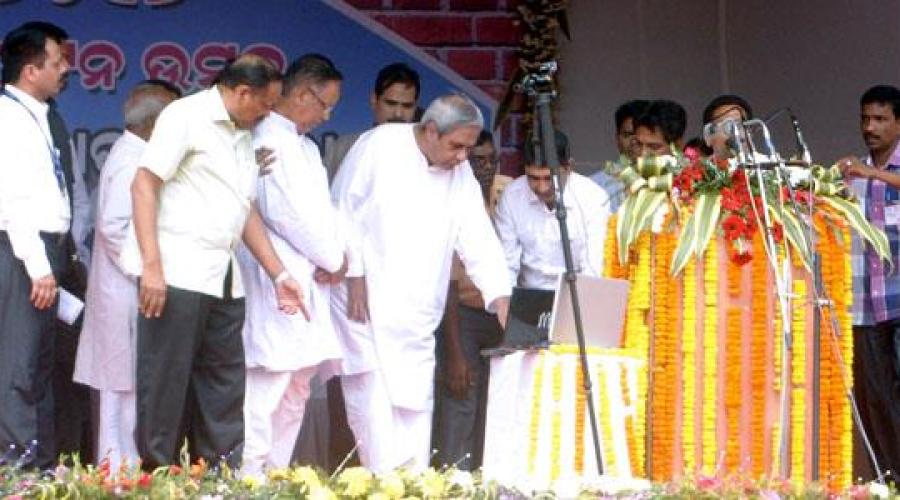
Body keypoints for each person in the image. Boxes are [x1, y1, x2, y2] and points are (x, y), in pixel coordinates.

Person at [119, 54, 307, 470]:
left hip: (224, 281)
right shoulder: (185, 116)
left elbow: (244, 211)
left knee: (224, 389)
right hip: (176, 274)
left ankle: (217, 480)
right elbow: (143, 185)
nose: (269, 113)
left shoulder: (242, 132)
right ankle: (158, 483)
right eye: (266, 104)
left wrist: (279, 274)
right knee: (165, 386)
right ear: (242, 92)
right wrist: (152, 266)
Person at [331, 93, 511, 473]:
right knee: (374, 413)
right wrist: (356, 274)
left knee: (415, 417)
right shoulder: (378, 147)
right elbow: (343, 210)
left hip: (417, 319)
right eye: (456, 146)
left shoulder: (457, 171)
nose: (463, 157)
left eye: (468, 147)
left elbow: (476, 235)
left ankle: (412, 488)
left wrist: (499, 296)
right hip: (365, 306)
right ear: (430, 131)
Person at [238, 54, 347, 478]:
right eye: (324, 104)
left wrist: (340, 255)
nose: (327, 115)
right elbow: (283, 213)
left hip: (310, 278)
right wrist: (334, 259)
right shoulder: (265, 138)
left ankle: (276, 476)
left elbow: (325, 212)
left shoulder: (305, 146)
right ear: (301, 93)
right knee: (266, 391)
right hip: (274, 280)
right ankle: (248, 480)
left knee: (297, 387)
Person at [72, 80, 180, 470]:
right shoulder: (131, 160)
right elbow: (114, 227)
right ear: (156, 122)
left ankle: (124, 472)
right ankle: (119, 475)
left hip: (131, 291)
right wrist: (148, 274)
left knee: (128, 390)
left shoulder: (141, 155)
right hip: (127, 291)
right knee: (122, 394)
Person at [0, 20, 75, 468]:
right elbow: (9, 197)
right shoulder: (7, 117)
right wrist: (37, 264)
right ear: (31, 70)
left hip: (47, 249)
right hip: (20, 250)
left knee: (41, 368)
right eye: (57, 61)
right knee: (19, 366)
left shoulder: (40, 113)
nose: (65, 69)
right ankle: (16, 472)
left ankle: (42, 468)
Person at [432, 130, 508, 471]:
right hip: (460, 314)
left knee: (500, 407)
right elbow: (444, 280)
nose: (486, 167)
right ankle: (452, 483)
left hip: (505, 316)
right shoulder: (450, 192)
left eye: (492, 160)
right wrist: (454, 351)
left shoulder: (510, 192)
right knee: (460, 399)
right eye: (478, 160)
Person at [837, 84, 900, 481]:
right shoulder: (852, 175)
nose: (870, 127)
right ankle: (891, 481)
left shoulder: (871, 173)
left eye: (880, 119)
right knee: (876, 402)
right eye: (865, 119)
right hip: (864, 307)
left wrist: (873, 173)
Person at [494, 130, 610, 290]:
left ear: (568, 167)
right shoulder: (512, 195)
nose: (542, 188)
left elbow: (593, 268)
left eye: (549, 178)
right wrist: (506, 305)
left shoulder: (593, 198)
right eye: (533, 178)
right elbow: (506, 264)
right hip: (528, 297)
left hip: (576, 297)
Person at [322, 62, 420, 181]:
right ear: (374, 100)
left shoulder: (427, 154)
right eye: (391, 103)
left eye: (407, 106)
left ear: (415, 106)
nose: (398, 113)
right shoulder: (344, 148)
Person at [590, 99, 649, 212]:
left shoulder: (670, 180)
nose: (634, 141)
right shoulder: (595, 185)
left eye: (640, 134)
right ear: (617, 139)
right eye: (628, 135)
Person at [701, 94, 753, 160]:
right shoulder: (701, 169)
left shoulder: (766, 166)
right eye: (727, 127)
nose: (734, 133)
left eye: (738, 125)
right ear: (708, 136)